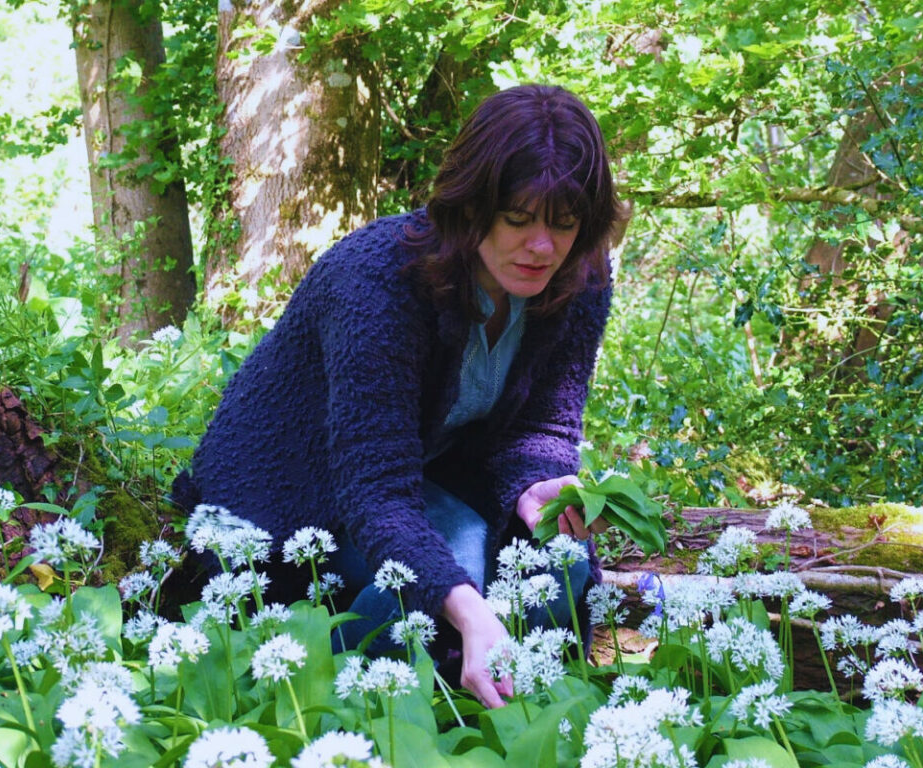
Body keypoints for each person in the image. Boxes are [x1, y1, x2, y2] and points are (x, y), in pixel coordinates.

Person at [172, 83, 619, 708]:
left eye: (565, 224)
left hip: (427, 476)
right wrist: (465, 607)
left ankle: (517, 713)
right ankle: (326, 697)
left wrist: (538, 483)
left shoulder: (579, 280)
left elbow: (543, 432)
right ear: (471, 207)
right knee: (454, 561)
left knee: (562, 566)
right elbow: (376, 489)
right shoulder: (377, 281)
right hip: (294, 494)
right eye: (518, 219)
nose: (542, 246)